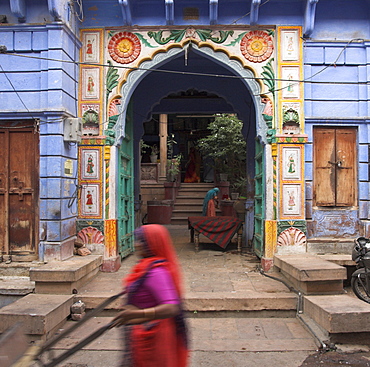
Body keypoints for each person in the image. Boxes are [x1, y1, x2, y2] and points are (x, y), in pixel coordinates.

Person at [111, 224, 189, 367]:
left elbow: (172, 307)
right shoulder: (146, 265)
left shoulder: (157, 272)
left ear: (151, 244)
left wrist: (139, 313)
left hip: (154, 338)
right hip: (141, 334)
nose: (136, 245)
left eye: (141, 241)